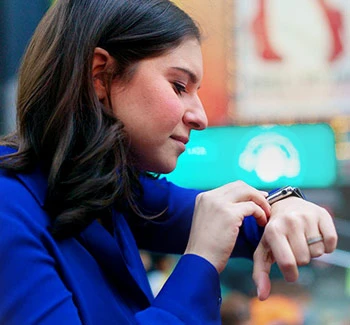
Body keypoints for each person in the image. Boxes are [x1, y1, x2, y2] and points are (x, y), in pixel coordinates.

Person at [0, 0, 337, 324]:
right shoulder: (9, 210)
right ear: (100, 75)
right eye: (179, 86)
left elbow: (239, 218)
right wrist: (200, 260)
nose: (200, 116)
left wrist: (287, 204)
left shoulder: (104, 188)